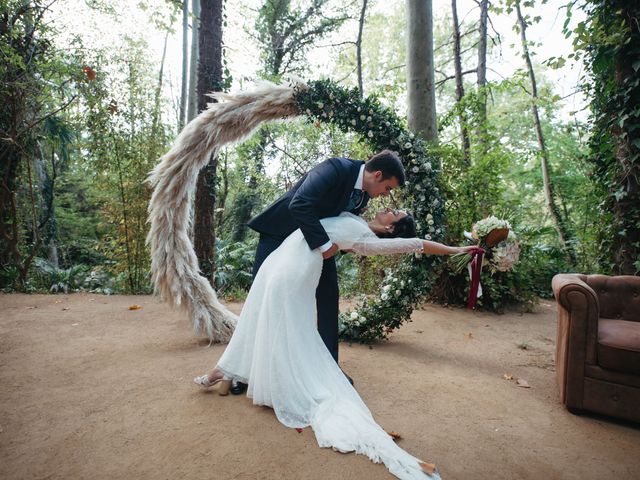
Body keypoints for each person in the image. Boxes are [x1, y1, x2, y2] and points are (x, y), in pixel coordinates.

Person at [195, 209, 475, 479]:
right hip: (281, 259)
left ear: (391, 228)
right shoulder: (359, 218)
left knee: (284, 325)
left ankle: (227, 373)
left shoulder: (367, 240)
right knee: (258, 315)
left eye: (396, 213)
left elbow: (416, 244)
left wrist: (457, 250)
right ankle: (227, 372)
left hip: (296, 269)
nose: (390, 207)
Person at [230, 150, 405, 394]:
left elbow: (339, 224)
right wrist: (324, 246)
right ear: (377, 175)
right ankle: (244, 372)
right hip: (279, 234)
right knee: (262, 301)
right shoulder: (334, 168)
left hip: (310, 245)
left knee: (328, 297)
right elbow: (299, 203)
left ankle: (329, 368)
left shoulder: (362, 197)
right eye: (387, 188)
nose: (386, 195)